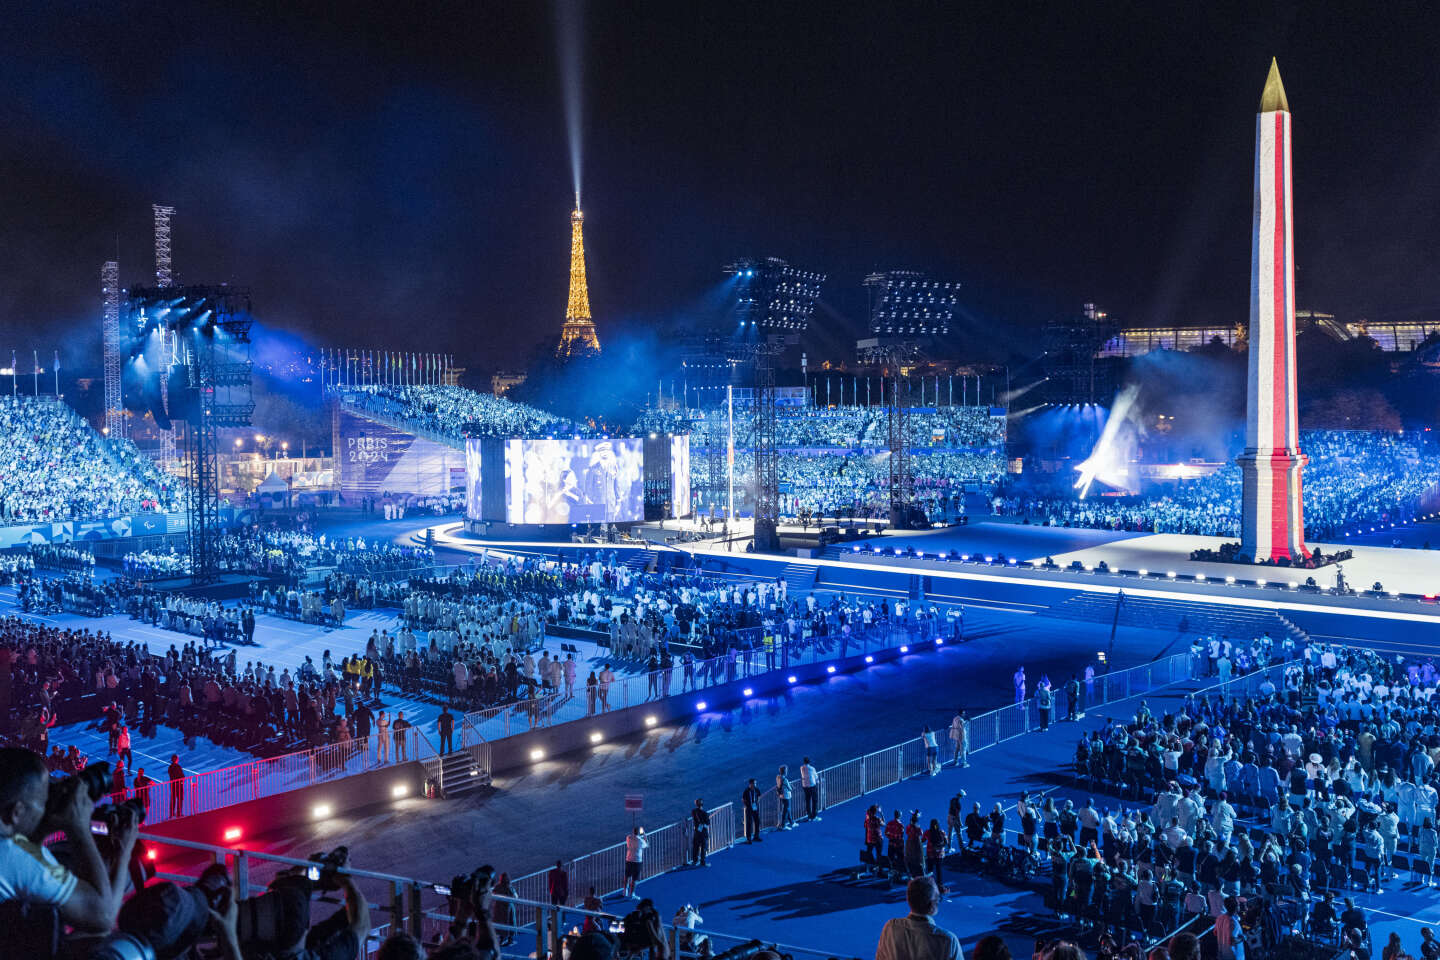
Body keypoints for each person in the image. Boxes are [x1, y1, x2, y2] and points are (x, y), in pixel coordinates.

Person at [0, 747, 139, 939]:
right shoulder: (12, 854)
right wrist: (80, 828)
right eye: (42, 801)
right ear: (16, 813)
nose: (45, 807)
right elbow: (102, 917)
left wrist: (43, 828)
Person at [874, 877, 961, 960]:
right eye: (938, 899)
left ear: (909, 899)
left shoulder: (890, 928)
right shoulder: (948, 941)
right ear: (932, 905)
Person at [1214, 895, 1246, 960]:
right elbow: (1232, 940)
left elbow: (1216, 933)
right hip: (1233, 956)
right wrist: (1243, 938)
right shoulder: (1233, 923)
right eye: (1239, 904)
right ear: (1236, 907)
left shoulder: (1219, 918)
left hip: (1222, 954)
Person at [623, 826, 647, 898]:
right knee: (634, 878)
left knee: (627, 876)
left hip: (629, 859)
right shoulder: (640, 840)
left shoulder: (628, 838)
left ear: (633, 831)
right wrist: (644, 834)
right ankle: (632, 893)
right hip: (637, 861)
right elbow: (647, 844)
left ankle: (625, 891)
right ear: (639, 833)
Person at [690, 798, 711, 866]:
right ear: (702, 804)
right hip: (703, 833)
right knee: (703, 847)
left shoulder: (693, 811)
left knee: (696, 846)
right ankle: (703, 862)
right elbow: (707, 823)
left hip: (696, 832)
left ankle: (695, 861)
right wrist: (706, 818)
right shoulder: (705, 813)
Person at [742, 778, 763, 842]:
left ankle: (756, 836)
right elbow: (743, 800)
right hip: (749, 809)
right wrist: (747, 806)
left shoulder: (756, 790)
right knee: (749, 823)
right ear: (750, 784)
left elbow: (759, 796)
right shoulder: (746, 791)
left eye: (756, 783)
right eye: (754, 783)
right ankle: (748, 838)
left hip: (755, 808)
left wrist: (756, 803)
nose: (755, 784)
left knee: (757, 821)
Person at [775, 765, 794, 830]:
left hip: (781, 795)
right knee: (785, 811)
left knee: (787, 809)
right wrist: (792, 787)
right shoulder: (785, 779)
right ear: (785, 771)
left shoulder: (778, 777)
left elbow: (780, 785)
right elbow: (790, 788)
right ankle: (783, 825)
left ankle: (791, 822)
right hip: (786, 796)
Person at [167, 754, 185, 818]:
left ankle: (172, 813)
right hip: (178, 785)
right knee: (179, 799)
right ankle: (178, 813)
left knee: (173, 799)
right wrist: (181, 783)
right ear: (177, 759)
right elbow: (182, 776)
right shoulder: (177, 766)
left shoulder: (170, 767)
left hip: (173, 785)